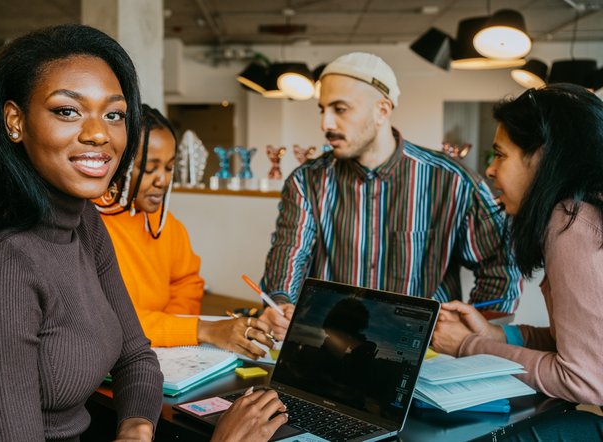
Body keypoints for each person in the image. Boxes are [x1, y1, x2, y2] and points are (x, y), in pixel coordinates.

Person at [0, 24, 286, 441]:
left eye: (114, 114)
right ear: (15, 121)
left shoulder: (85, 223)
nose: (99, 134)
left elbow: (137, 358)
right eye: (67, 111)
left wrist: (135, 427)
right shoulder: (1, 265)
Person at [258, 52, 522, 339]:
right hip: (327, 345)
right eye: (322, 110)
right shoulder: (306, 181)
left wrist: (476, 330)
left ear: (382, 110)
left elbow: (500, 267)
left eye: (340, 109)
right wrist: (280, 304)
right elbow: (289, 255)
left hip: (422, 349)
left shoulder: (453, 180)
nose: (326, 124)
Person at [432, 84, 603, 439]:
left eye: (500, 155)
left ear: (541, 156)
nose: (490, 170)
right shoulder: (584, 213)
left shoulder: (570, 222)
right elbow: (578, 344)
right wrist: (498, 334)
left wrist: (468, 347)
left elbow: (582, 378)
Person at [96, 104, 274, 359]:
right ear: (117, 163)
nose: (163, 180)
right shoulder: (87, 225)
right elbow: (111, 322)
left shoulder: (168, 224)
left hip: (166, 354)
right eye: (149, 168)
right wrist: (202, 330)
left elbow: (187, 282)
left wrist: (172, 329)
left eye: (169, 167)